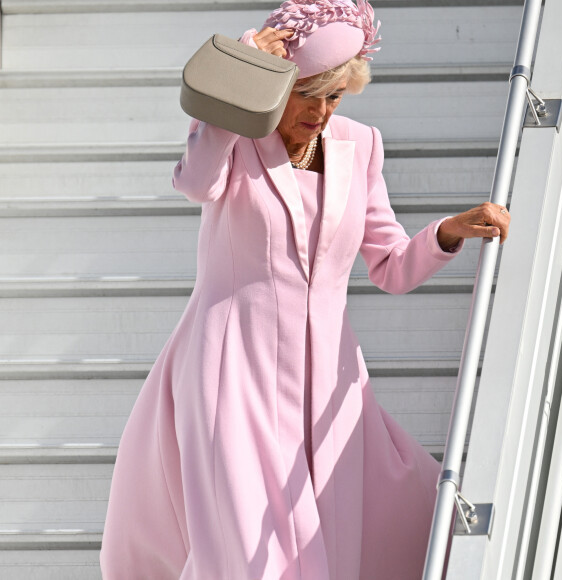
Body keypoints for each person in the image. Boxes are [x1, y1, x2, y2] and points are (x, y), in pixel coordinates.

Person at [100, 1, 510, 578]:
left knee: (361, 533)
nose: (321, 111)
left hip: (327, 380)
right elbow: (194, 182)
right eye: (308, 93)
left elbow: (390, 266)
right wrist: (238, 79)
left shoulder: (360, 144)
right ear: (279, 84)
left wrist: (445, 233)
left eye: (335, 95)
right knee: (247, 550)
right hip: (231, 370)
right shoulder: (237, 134)